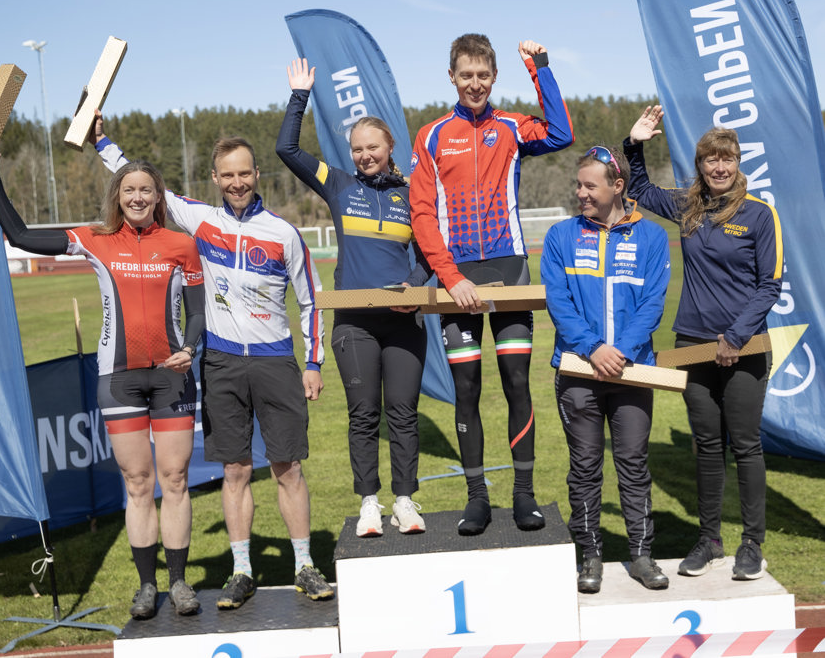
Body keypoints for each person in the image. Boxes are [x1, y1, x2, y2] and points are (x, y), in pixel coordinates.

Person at [93, 117, 334, 609]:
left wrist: (313, 362)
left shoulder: (284, 233)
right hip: (221, 363)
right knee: (235, 471)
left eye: (244, 174)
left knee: (288, 468)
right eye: (227, 175)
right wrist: (100, 140)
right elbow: (140, 180)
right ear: (215, 178)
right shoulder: (200, 220)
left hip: (275, 362)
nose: (237, 183)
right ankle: (242, 570)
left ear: (257, 174)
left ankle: (305, 565)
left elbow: (312, 300)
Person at [0, 144, 205, 619]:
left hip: (173, 380)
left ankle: (181, 582)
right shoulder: (96, 238)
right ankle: (147, 587)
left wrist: (189, 349)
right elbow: (20, 236)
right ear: (118, 196)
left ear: (158, 197)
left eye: (146, 190)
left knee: (176, 478)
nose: (138, 197)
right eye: (129, 190)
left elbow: (199, 312)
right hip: (118, 379)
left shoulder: (182, 245)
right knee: (139, 481)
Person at [410, 34, 574, 535]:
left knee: (518, 383)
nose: (475, 83)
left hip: (509, 270)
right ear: (452, 77)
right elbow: (422, 213)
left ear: (494, 76)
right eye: (466, 75)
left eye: (483, 75)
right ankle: (477, 497)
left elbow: (562, 133)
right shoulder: (432, 135)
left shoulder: (511, 127)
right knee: (466, 389)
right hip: (458, 275)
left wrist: (539, 67)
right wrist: (451, 276)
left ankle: (523, 495)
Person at [626, 106, 783, 580]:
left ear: (737, 163)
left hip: (745, 348)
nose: (719, 167)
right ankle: (710, 539)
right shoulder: (689, 207)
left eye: (727, 159)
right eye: (710, 160)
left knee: (747, 446)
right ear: (700, 165)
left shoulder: (759, 215)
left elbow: (769, 286)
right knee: (707, 445)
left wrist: (736, 337)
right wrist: (634, 146)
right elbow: (639, 189)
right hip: (694, 347)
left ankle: (751, 543)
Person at [276, 58, 430, 538]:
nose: (365, 155)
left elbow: (428, 252)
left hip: (405, 320)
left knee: (404, 414)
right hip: (354, 325)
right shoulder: (339, 184)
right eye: (358, 149)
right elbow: (286, 148)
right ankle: (369, 504)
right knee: (364, 415)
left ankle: (405, 501)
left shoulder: (411, 193)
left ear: (389, 148)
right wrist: (299, 96)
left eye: (373, 147)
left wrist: (418, 286)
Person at [541, 144, 670, 593]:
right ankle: (590, 555)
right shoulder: (560, 235)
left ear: (618, 187)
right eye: (578, 184)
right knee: (586, 466)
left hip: (633, 371)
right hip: (578, 371)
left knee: (634, 465)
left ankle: (641, 554)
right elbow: (559, 302)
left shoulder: (651, 237)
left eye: (589, 185)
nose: (580, 193)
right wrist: (594, 348)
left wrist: (622, 351)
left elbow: (654, 303)